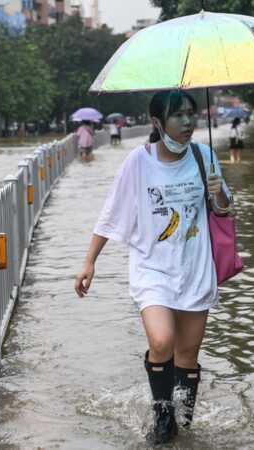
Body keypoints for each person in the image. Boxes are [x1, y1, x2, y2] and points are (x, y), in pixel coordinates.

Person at [74, 90, 233, 446]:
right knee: (162, 341)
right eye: (178, 115)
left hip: (194, 267)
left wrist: (218, 190)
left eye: (191, 113)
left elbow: (223, 211)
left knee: (188, 354)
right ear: (157, 123)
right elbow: (111, 213)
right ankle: (164, 420)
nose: (188, 122)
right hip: (152, 269)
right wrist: (89, 261)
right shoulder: (137, 162)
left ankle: (185, 420)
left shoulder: (203, 154)